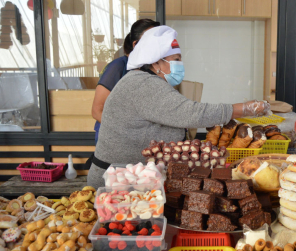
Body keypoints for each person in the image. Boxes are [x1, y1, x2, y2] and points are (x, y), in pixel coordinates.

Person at [87, 26, 270, 188]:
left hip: (133, 177)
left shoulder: (142, 80)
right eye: (175, 59)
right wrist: (245, 108)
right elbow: (193, 114)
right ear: (156, 62)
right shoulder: (143, 85)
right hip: (116, 182)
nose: (179, 65)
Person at [91, 19, 160, 143]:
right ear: (136, 44)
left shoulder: (152, 69)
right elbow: (97, 111)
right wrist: (126, 131)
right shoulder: (117, 67)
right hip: (113, 139)